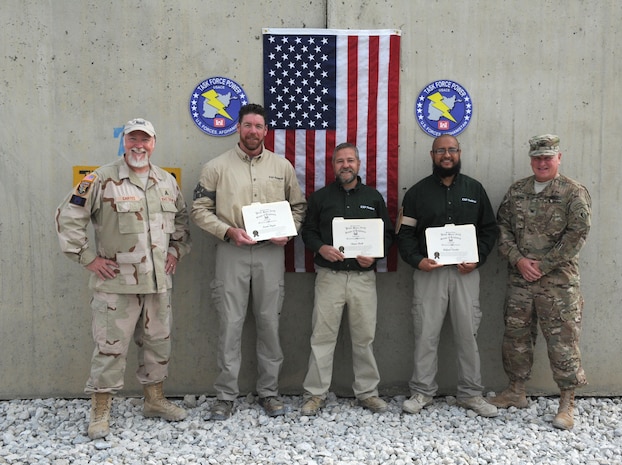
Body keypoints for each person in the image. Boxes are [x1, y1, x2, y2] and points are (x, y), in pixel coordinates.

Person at [55, 118, 192, 440]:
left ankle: (154, 401)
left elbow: (182, 221)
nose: (139, 146)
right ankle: (101, 410)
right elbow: (67, 218)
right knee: (110, 348)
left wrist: (176, 251)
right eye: (133, 139)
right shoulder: (101, 179)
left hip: (158, 283)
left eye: (145, 140)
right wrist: (89, 259)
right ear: (124, 142)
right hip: (117, 285)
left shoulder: (167, 182)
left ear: (154, 143)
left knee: (158, 345)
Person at [191, 103, 306, 420]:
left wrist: (289, 231)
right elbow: (199, 210)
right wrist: (228, 231)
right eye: (248, 125)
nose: (253, 131)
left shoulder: (282, 167)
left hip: (271, 253)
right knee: (230, 325)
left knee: (269, 323)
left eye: (259, 125)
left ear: (266, 130)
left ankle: (269, 393)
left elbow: (298, 207)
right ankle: (226, 395)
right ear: (238, 128)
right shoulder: (217, 167)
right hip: (232, 252)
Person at [488, 134, 591, 430]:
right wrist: (518, 259)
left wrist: (543, 265)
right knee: (516, 337)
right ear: (531, 159)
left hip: (558, 284)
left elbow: (577, 235)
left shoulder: (573, 192)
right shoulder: (517, 191)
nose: (542, 162)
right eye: (537, 158)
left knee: (563, 341)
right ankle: (516, 391)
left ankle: (567, 402)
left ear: (559, 158)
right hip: (521, 279)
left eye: (548, 157)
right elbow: (502, 228)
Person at [397, 134, 499, 417]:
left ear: (459, 153)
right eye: (440, 150)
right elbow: (404, 234)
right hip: (430, 273)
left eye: (451, 150)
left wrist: (476, 257)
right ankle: (421, 392)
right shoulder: (416, 193)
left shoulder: (475, 190)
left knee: (468, 334)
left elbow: (490, 230)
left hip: (467, 274)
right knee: (426, 333)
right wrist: (418, 261)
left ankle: (471, 393)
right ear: (432, 155)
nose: (446, 155)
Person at [299, 143, 394, 416]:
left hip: (363, 278)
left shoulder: (374, 197)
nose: (345, 165)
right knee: (322, 337)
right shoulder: (320, 198)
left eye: (350, 160)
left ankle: (367, 393)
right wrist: (321, 248)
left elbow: (387, 234)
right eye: (339, 161)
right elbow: (308, 231)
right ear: (333, 166)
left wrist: (376, 256)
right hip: (330, 277)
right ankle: (315, 394)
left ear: (359, 164)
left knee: (364, 338)